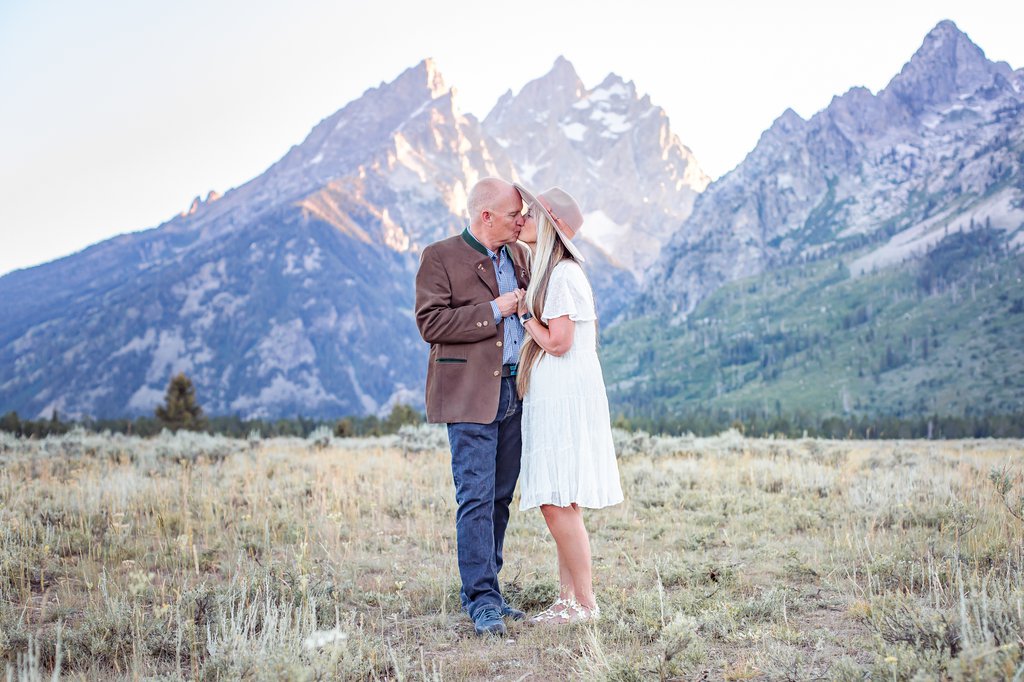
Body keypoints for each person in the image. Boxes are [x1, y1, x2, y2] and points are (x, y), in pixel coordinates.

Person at [414, 177, 531, 636]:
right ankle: (481, 600)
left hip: (514, 392)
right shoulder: (439, 256)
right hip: (468, 396)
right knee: (476, 498)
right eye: (512, 215)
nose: (520, 221)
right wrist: (495, 309)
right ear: (486, 216)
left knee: (501, 497)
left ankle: (489, 591)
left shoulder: (518, 256)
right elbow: (431, 322)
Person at [511, 184, 624, 624]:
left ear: (550, 225)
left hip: (563, 392)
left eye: (530, 213)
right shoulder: (554, 273)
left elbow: (558, 342)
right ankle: (568, 600)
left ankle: (586, 603)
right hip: (557, 391)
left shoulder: (562, 275)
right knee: (561, 498)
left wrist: (523, 315)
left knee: (556, 501)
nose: (521, 219)